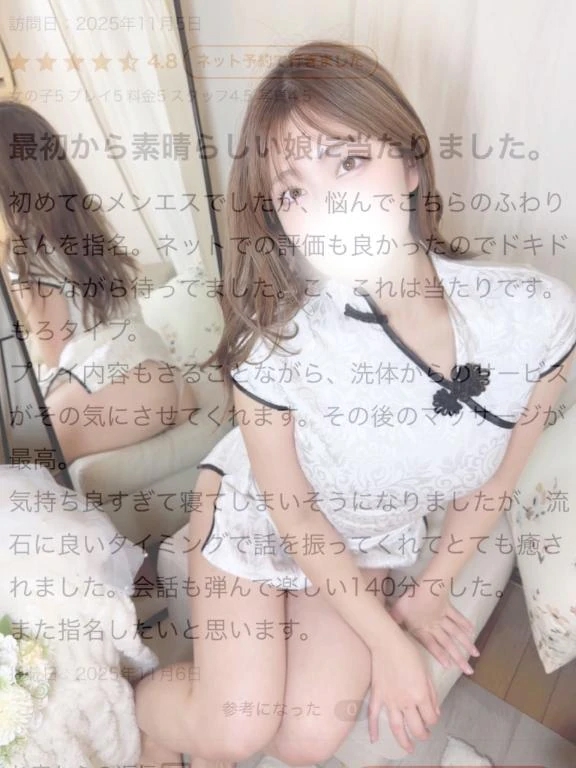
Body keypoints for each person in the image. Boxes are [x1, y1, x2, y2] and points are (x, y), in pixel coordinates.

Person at [134, 40, 576, 767]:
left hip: (363, 537)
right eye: (293, 192)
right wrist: (386, 641)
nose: (327, 207)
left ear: (410, 164)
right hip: (259, 510)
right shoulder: (275, 340)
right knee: (235, 731)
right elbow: (294, 513)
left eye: (348, 161)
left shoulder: (534, 317)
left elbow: (496, 480)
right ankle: (153, 717)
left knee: (305, 740)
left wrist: (428, 593)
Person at [0, 101, 197, 464]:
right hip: (156, 371)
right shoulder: (83, 223)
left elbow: (56, 351)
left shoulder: (26, 249)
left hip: (109, 382)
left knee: (19, 453)